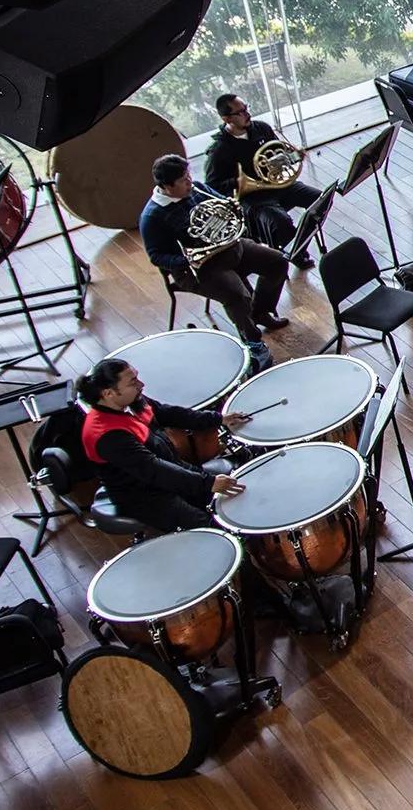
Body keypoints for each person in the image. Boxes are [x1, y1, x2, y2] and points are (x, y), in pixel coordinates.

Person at [139, 154, 288, 368]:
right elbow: (156, 256)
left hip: (230, 248)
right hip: (199, 268)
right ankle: (253, 342)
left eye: (188, 175)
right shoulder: (152, 216)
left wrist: (233, 211)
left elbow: (223, 207)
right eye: (183, 180)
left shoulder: (197, 188)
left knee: (277, 262)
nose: (190, 181)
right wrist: (186, 259)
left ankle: (260, 312)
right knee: (237, 294)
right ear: (166, 186)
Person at [74, 358, 248, 533]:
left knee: (232, 493)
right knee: (210, 526)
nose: (141, 384)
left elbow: (167, 413)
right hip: (144, 496)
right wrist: (208, 483)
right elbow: (154, 470)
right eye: (133, 382)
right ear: (108, 393)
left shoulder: (130, 401)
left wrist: (219, 418)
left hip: (169, 469)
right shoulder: (107, 436)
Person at [202, 94, 322, 267]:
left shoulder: (262, 129)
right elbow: (212, 186)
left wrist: (294, 157)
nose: (247, 114)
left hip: (278, 186)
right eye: (241, 112)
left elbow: (278, 155)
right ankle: (295, 253)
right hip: (253, 199)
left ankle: (297, 245)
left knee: (320, 199)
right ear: (226, 119)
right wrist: (239, 182)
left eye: (246, 108)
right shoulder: (219, 150)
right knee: (280, 222)